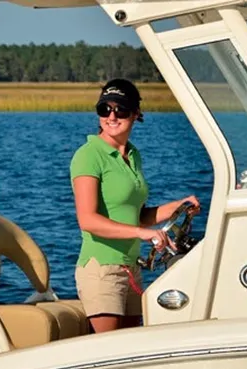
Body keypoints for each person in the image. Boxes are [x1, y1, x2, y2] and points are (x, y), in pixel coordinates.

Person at [71, 79, 200, 334]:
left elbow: (137, 217)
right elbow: (88, 220)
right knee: (109, 356)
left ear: (136, 114)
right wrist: (144, 234)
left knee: (129, 351)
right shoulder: (88, 155)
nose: (111, 116)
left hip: (130, 270)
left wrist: (179, 206)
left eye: (120, 109)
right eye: (104, 109)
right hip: (102, 271)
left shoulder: (132, 155)